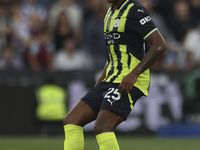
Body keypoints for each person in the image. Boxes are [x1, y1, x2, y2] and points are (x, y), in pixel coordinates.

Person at [63, 0, 167, 149]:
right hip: (110, 78)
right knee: (71, 120)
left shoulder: (134, 10)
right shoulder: (109, 13)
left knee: (103, 127)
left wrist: (134, 73)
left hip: (128, 80)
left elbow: (160, 44)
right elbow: (114, 52)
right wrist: (102, 78)